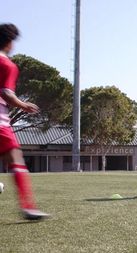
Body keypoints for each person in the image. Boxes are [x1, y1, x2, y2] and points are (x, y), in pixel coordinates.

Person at [0, 23, 49, 220]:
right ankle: (28, 207)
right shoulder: (7, 64)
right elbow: (5, 92)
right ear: (10, 42)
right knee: (16, 158)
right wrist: (22, 105)